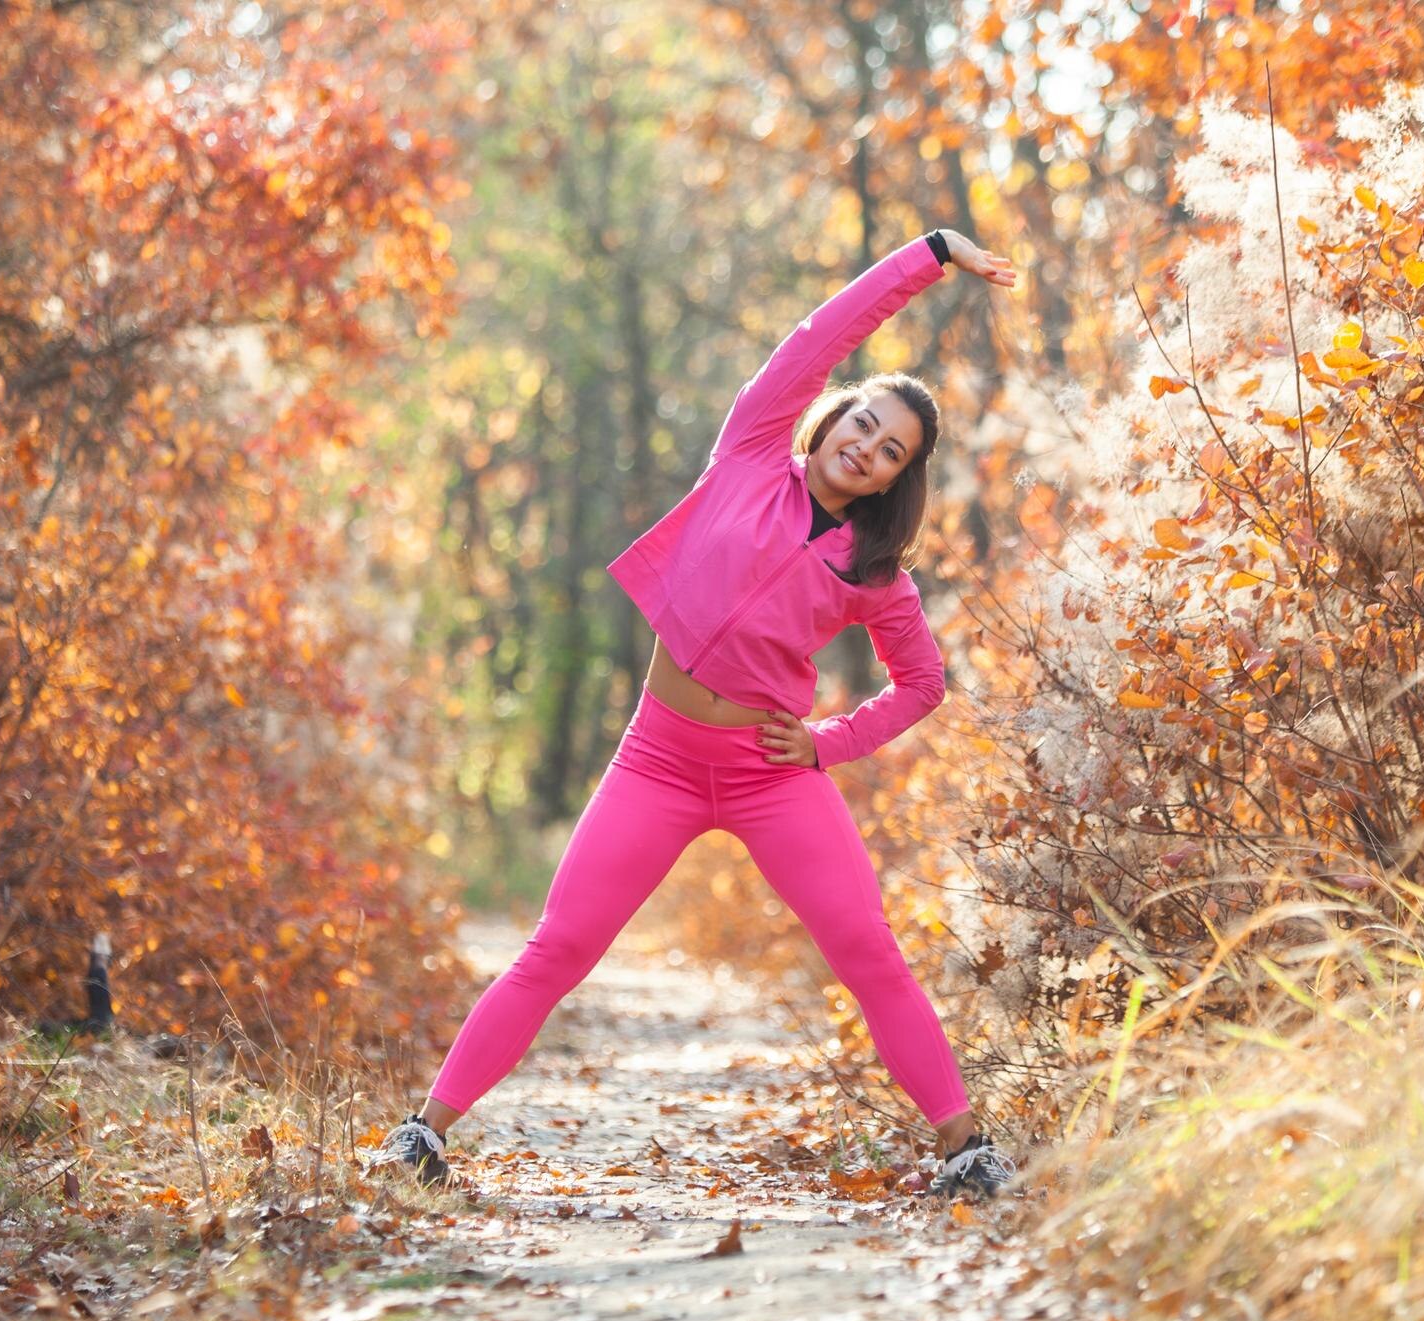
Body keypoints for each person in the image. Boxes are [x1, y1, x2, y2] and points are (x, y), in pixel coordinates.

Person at [371, 227, 1020, 1199]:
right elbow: (816, 334)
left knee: (866, 948)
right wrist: (925, 257)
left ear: (895, 478)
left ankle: (965, 1146)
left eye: (888, 452)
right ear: (834, 417)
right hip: (659, 759)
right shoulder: (751, 450)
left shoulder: (873, 571)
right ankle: (422, 1134)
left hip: (769, 776)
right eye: (862, 425)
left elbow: (921, 684)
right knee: (559, 945)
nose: (865, 448)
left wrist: (826, 743)